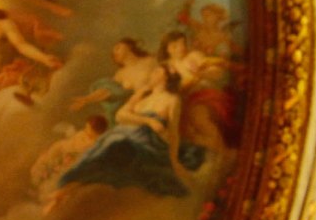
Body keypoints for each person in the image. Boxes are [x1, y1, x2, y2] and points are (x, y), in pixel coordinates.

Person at [52, 68, 205, 202]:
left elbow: (173, 132)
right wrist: (148, 120)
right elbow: (120, 115)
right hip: (125, 134)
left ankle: (66, 189)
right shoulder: (143, 96)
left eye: (157, 71)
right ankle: (66, 188)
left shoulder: (172, 100)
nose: (152, 73)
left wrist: (173, 159)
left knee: (112, 148)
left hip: (146, 142)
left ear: (166, 77)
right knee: (100, 151)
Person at [30, 116, 108, 209]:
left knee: (57, 175)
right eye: (86, 127)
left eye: (89, 129)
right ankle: (37, 182)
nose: (86, 130)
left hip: (75, 161)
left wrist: (67, 153)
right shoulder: (85, 134)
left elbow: (80, 151)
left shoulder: (95, 143)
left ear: (97, 132)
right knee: (47, 159)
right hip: (65, 151)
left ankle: (42, 195)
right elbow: (72, 141)